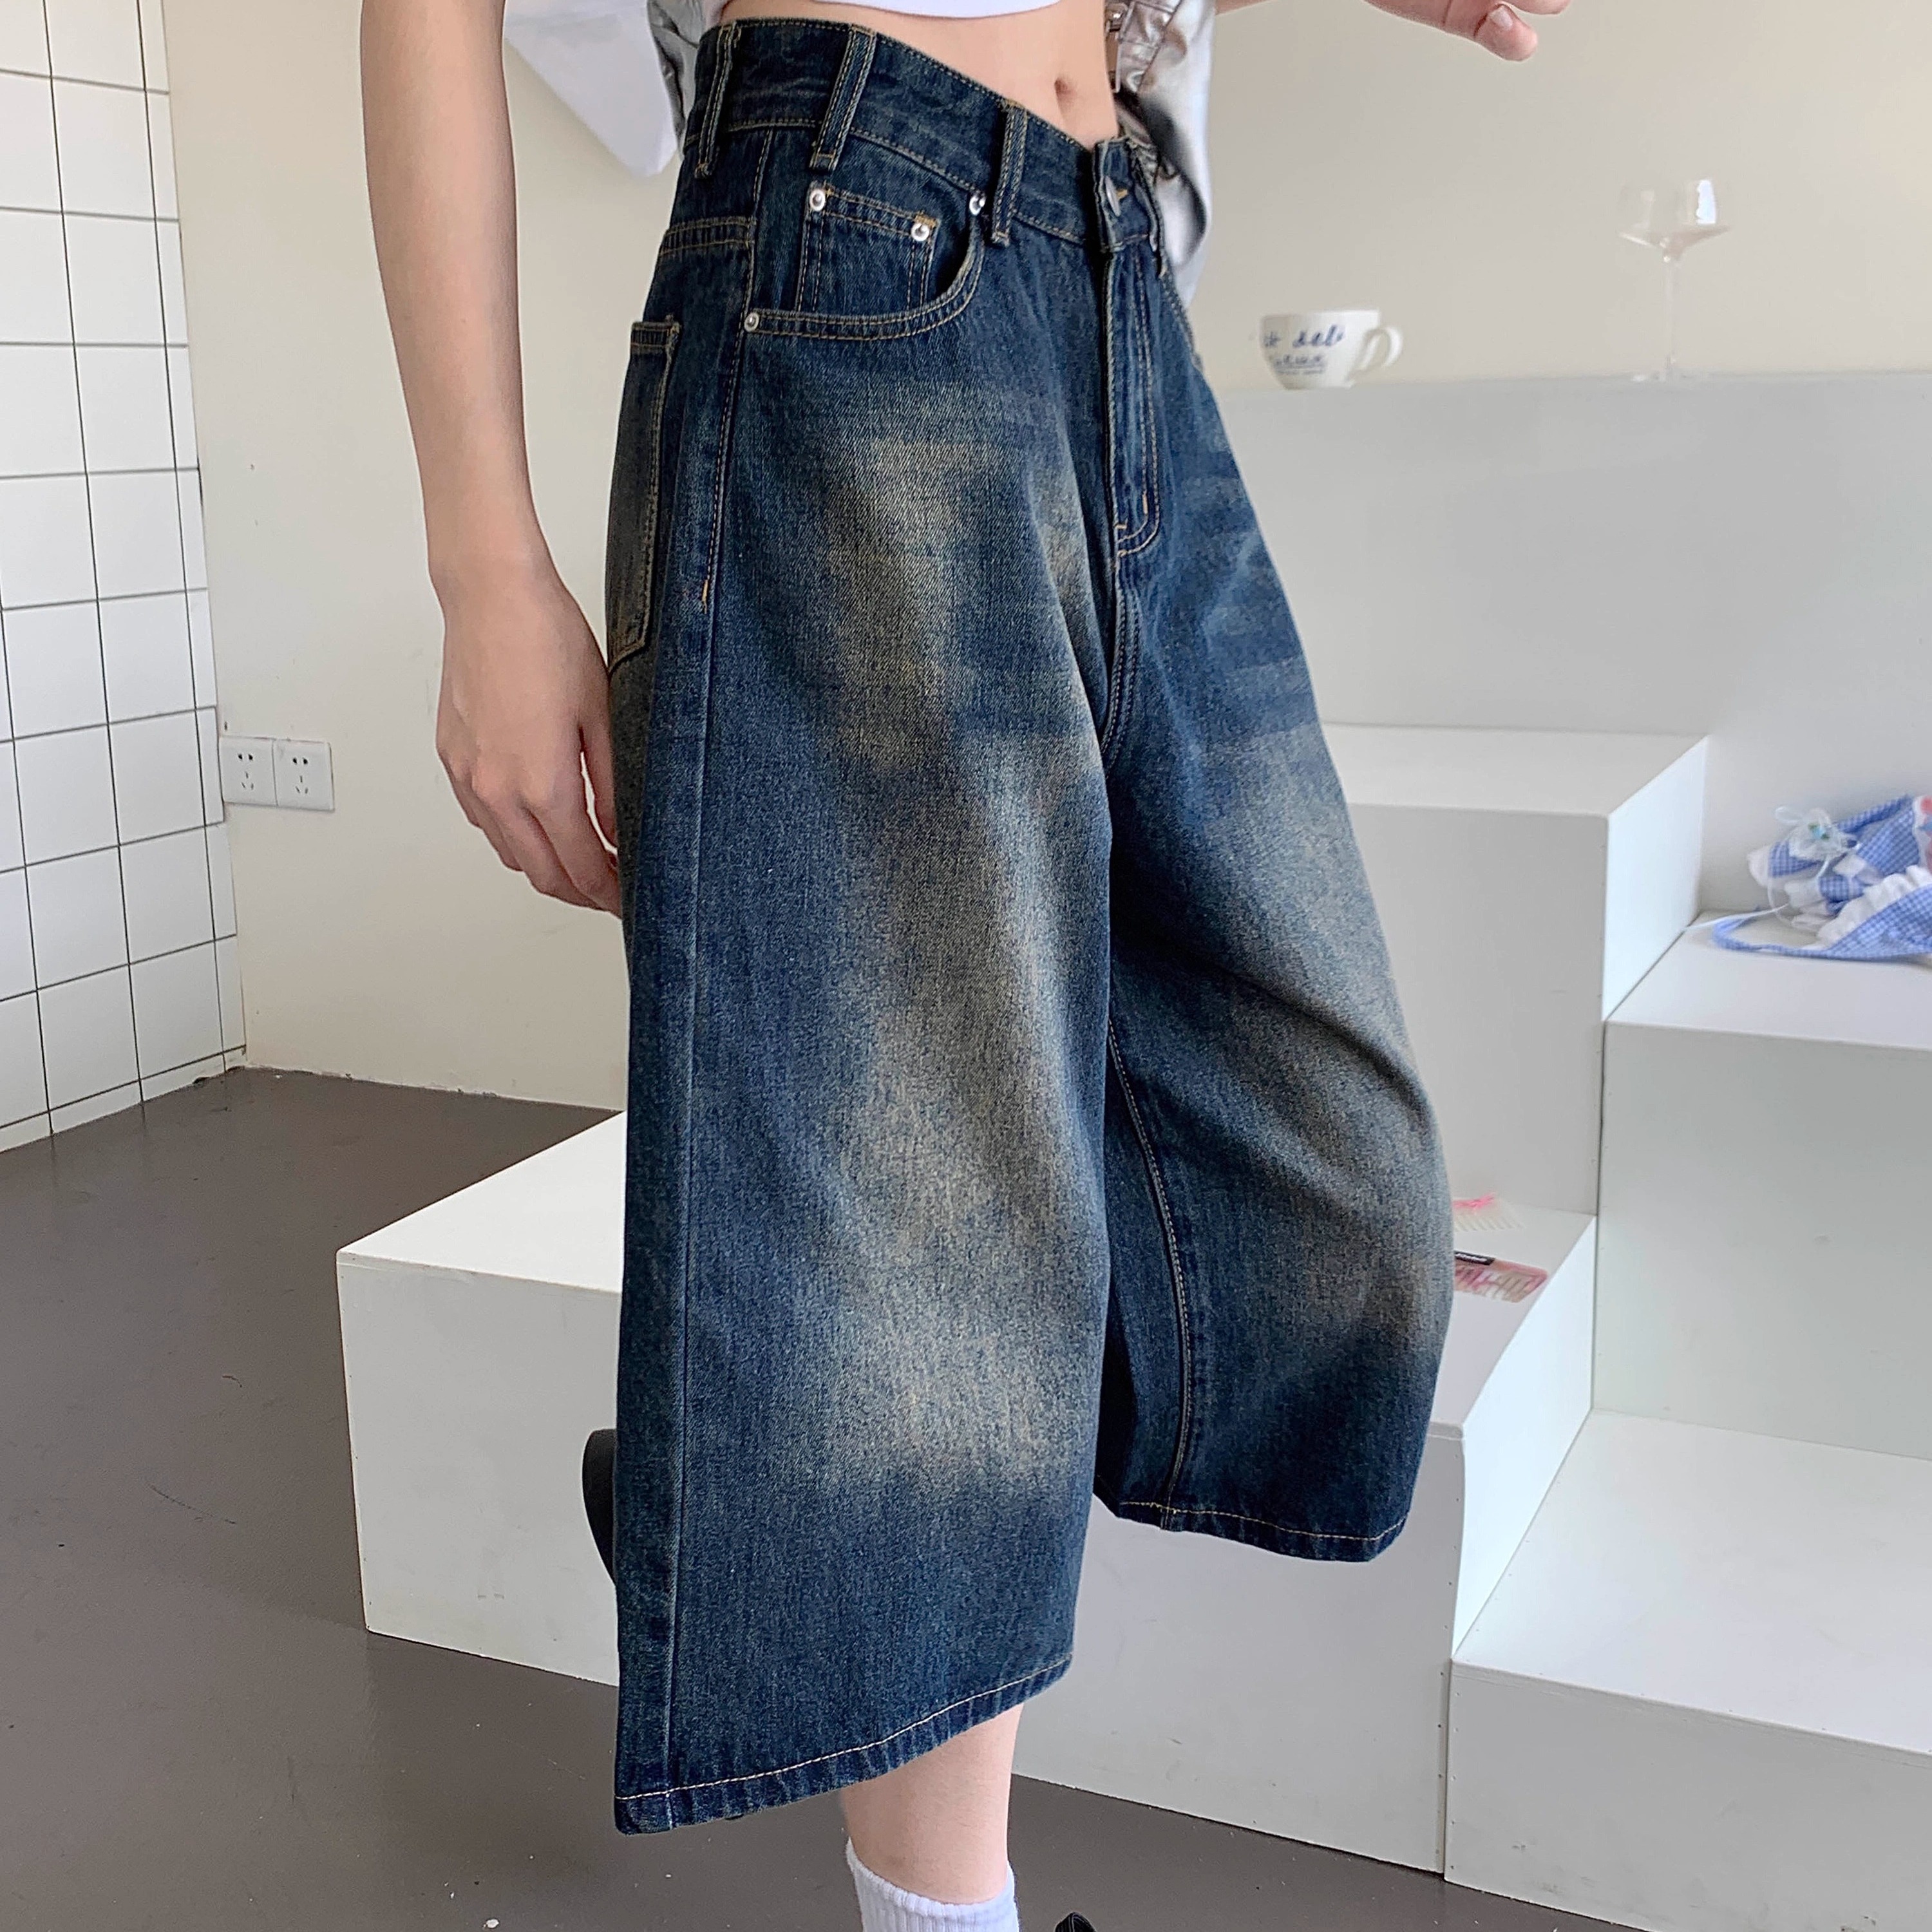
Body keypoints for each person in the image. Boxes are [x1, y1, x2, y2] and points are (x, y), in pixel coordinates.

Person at [360, 0, 1567, 1927]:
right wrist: (482, 566)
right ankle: (878, 1735)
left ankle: (757, 1490)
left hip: (1118, 274)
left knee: (1335, 1194)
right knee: (932, 1269)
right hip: (846, 241)